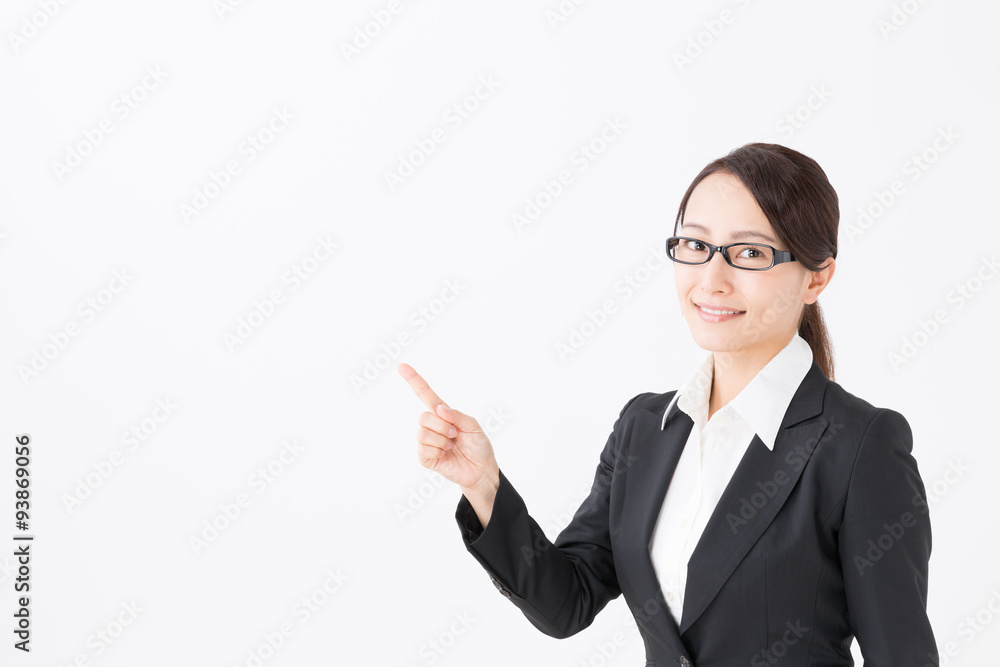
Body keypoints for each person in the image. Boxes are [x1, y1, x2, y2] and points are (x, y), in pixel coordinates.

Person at [398, 143, 938, 666]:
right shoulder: (645, 428)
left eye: (749, 252)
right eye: (696, 246)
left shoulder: (860, 446)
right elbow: (568, 601)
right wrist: (483, 485)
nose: (712, 280)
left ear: (816, 276)